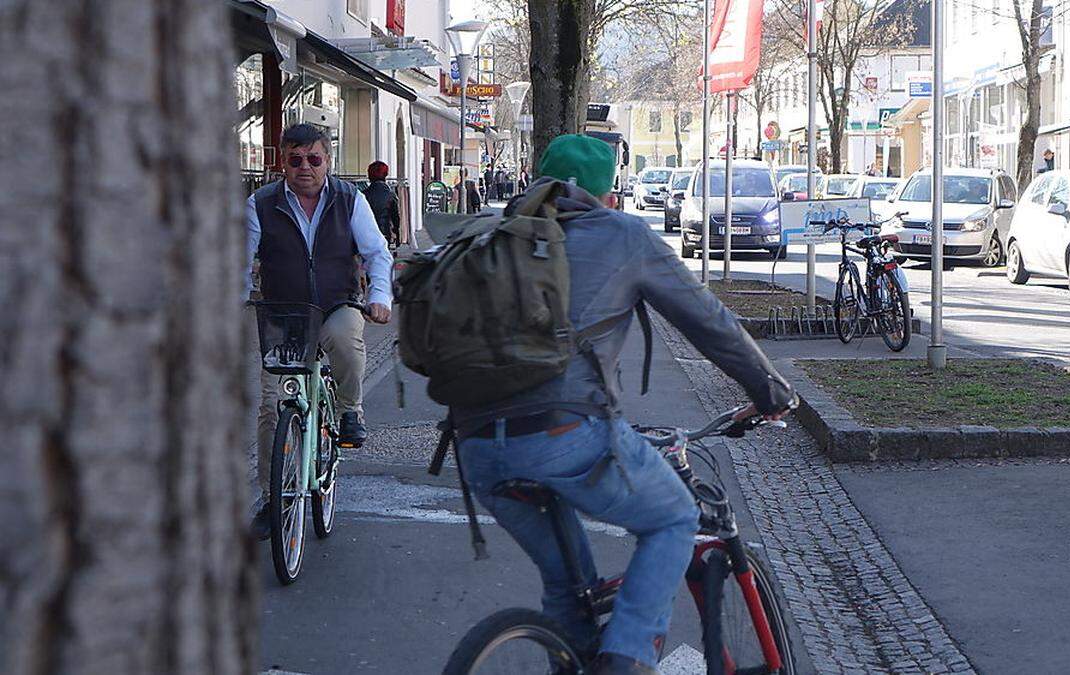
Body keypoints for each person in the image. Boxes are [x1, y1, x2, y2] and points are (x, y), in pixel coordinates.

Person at [454, 134, 795, 674]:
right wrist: (770, 392)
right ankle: (628, 659)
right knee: (674, 518)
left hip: (475, 445)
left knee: (570, 595)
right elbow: (710, 322)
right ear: (606, 194)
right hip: (564, 434)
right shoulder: (623, 234)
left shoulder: (495, 235)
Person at [244, 123, 393, 540]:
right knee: (272, 407)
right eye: (295, 159)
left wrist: (380, 296)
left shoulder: (351, 200)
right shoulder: (262, 203)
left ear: (328, 160)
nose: (305, 167)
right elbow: (240, 258)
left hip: (336, 304)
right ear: (282, 162)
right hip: (284, 314)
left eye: (314, 158)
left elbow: (377, 253)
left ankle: (349, 410)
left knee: (346, 337)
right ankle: (273, 499)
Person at [364, 160, 400, 248]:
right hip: (384, 233)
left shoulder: (363, 195)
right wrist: (397, 233)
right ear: (385, 175)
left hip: (366, 234)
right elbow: (395, 217)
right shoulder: (390, 195)